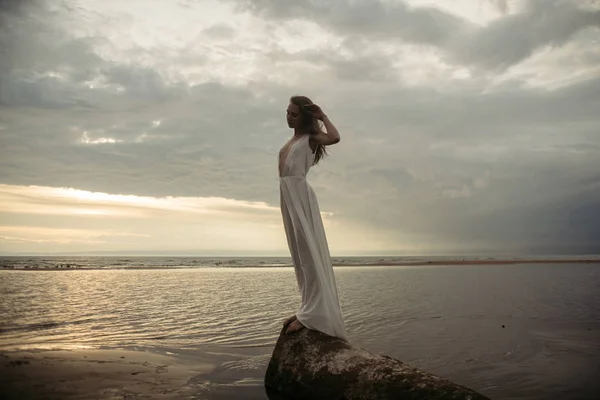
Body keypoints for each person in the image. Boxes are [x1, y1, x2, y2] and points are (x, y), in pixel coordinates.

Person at [279, 95, 348, 341]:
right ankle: (306, 309)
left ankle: (314, 316)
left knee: (309, 255)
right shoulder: (293, 139)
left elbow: (335, 138)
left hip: (300, 194)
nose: (288, 117)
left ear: (305, 117)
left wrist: (322, 116)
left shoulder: (310, 138)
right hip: (287, 193)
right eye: (287, 112)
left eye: (294, 114)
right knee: (299, 255)